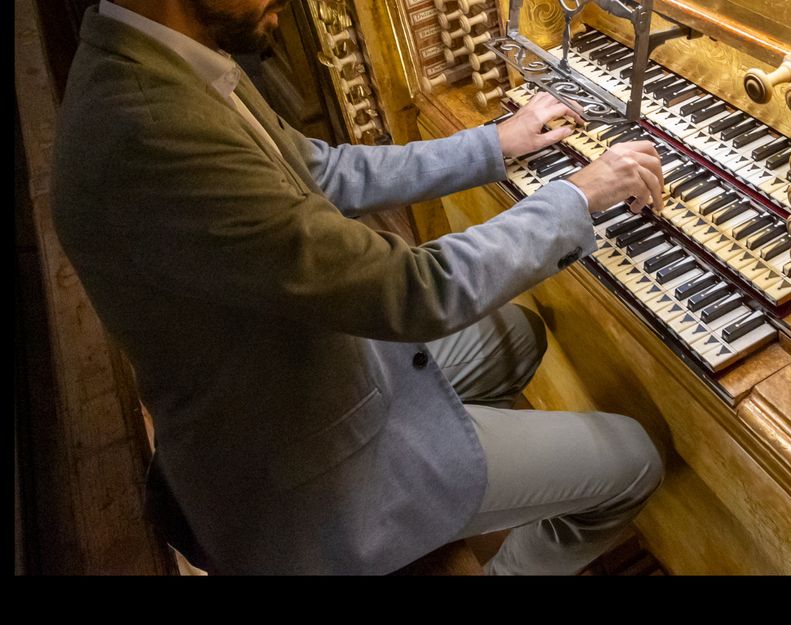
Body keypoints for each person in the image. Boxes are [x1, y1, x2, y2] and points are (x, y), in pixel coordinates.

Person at [51, 0, 666, 575]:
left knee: (515, 333)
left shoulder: (159, 57)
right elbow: (414, 292)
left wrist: (491, 143)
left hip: (310, 379)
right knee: (636, 459)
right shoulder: (150, 130)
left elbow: (319, 171)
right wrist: (578, 196)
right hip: (302, 478)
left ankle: (455, 495)